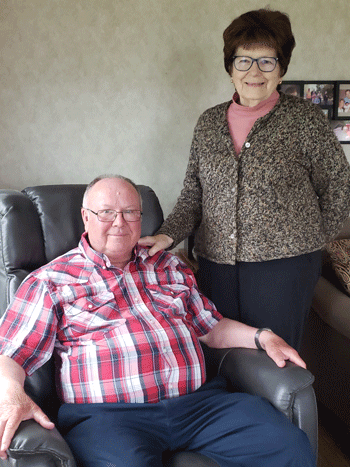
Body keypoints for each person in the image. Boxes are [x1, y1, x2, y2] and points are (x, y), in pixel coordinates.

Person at [0, 175, 315, 467]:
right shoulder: (50, 281)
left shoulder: (170, 266)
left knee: (288, 447)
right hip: (109, 418)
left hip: (200, 406)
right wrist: (12, 395)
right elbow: (10, 354)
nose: (120, 223)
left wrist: (263, 337)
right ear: (86, 217)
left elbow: (212, 327)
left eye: (130, 212)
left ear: (141, 217)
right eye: (106, 212)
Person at [138, 8, 350, 350]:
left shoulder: (304, 120)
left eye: (267, 61)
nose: (254, 71)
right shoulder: (208, 124)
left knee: (275, 360)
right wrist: (166, 235)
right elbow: (193, 196)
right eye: (243, 61)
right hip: (216, 265)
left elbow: (340, 187)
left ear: (281, 69)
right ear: (230, 67)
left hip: (284, 269)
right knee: (220, 354)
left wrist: (311, 240)